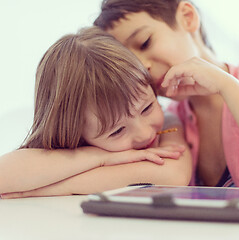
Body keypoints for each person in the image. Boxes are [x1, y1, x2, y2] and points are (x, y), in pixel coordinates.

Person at [93, 0, 239, 193]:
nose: (142, 67)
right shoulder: (170, 122)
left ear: (187, 17)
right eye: (130, 63)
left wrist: (226, 85)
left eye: (145, 42)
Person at [0, 27, 192, 198]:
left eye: (147, 107)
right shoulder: (80, 148)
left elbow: (173, 176)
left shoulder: (169, 121)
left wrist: (53, 188)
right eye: (116, 131)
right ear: (74, 133)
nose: (144, 134)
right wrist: (101, 158)